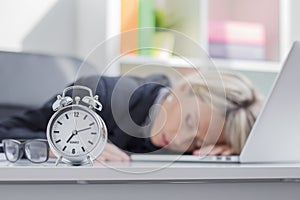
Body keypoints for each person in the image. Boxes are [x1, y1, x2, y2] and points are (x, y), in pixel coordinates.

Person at [0, 70, 263, 162]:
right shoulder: (100, 93)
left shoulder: (194, 146)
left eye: (196, 142)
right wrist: (61, 149)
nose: (179, 141)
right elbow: (4, 134)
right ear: (184, 86)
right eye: (188, 121)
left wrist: (233, 154)